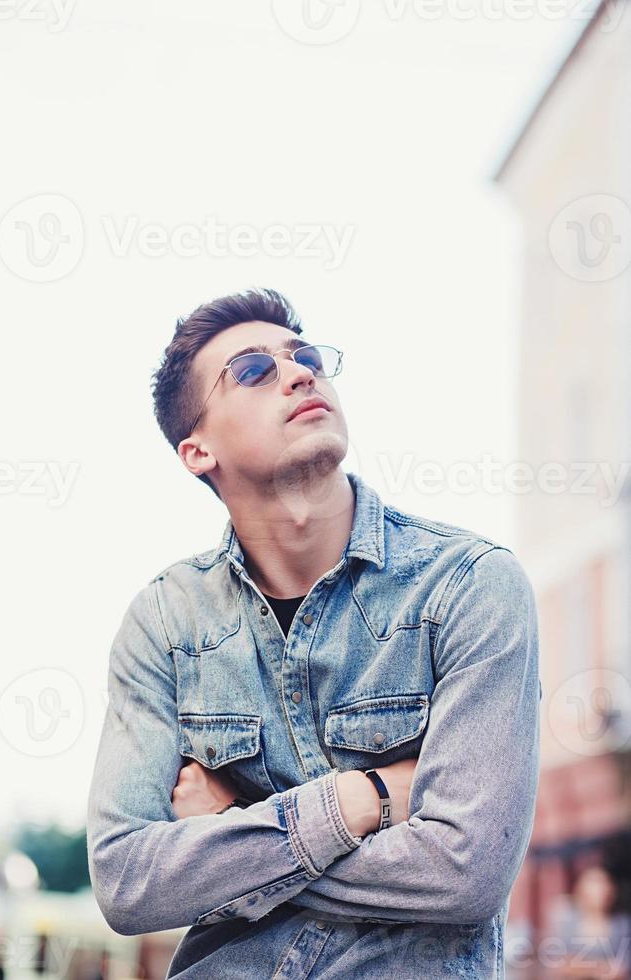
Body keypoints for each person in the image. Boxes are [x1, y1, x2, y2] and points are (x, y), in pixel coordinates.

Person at [86, 287, 542, 978]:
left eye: (303, 356)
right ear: (197, 450)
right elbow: (127, 882)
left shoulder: (471, 586)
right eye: (251, 371)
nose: (299, 372)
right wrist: (370, 798)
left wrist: (236, 822)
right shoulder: (165, 623)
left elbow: (464, 870)